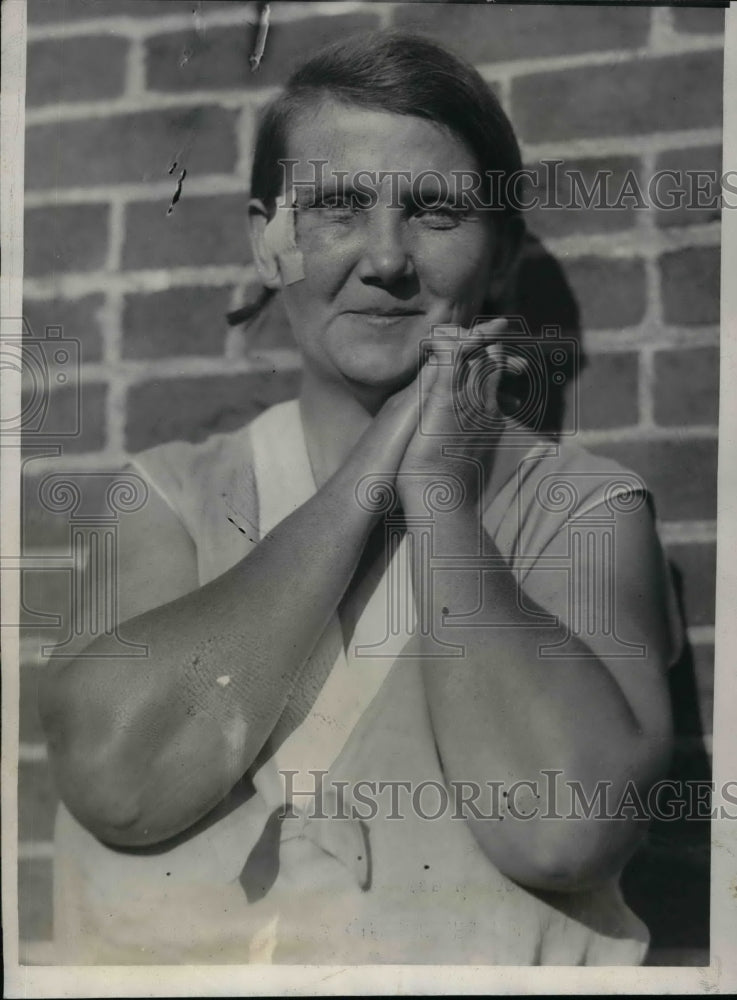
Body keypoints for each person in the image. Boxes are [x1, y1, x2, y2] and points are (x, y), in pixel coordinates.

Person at [39, 31, 683, 965]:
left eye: (434, 212)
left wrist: (441, 501)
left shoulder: (585, 510)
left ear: (498, 254)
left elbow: (563, 829)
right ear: (270, 245)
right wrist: (374, 468)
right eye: (337, 206)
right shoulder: (166, 497)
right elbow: (117, 783)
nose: (386, 259)